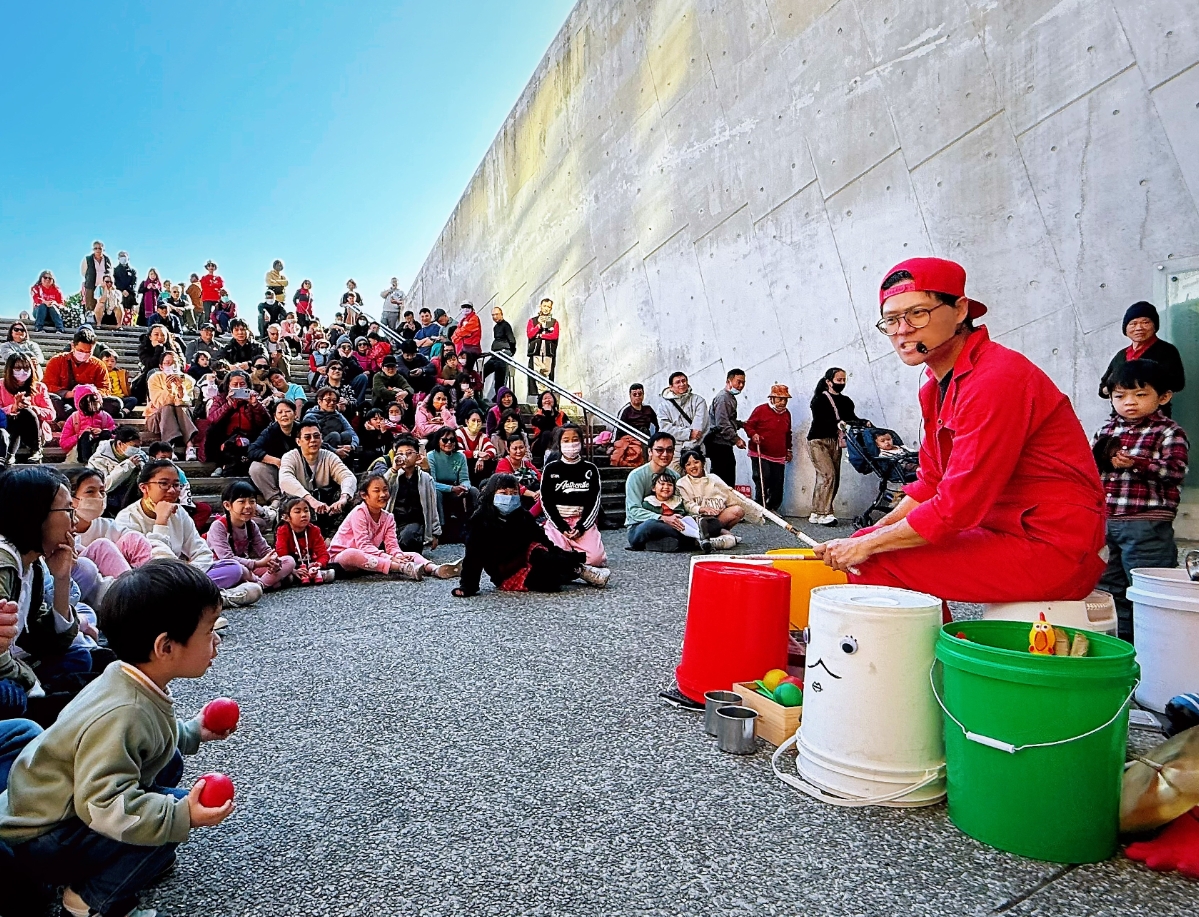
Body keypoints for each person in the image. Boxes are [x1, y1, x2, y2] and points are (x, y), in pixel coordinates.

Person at [814, 258, 1107, 609]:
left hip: (1053, 546)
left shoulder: (996, 378)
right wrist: (869, 536)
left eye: (918, 313)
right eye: (891, 320)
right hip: (1004, 531)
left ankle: (932, 647)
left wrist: (867, 546)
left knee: (873, 560)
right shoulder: (935, 387)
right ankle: (940, 641)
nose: (902, 330)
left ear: (960, 310)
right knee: (870, 543)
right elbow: (931, 483)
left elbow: (957, 507)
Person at [0, 560, 236, 917]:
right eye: (208, 630)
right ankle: (88, 902)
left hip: (53, 811)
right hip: (43, 838)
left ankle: (114, 862)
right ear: (165, 647)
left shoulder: (123, 675)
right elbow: (103, 807)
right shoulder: (125, 710)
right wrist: (178, 817)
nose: (216, 640)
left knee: (168, 768)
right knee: (165, 820)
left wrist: (191, 731)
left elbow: (148, 734)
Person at [1092, 360, 1189, 641]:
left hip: (1146, 524)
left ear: (1164, 397)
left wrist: (1136, 464)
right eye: (1120, 396)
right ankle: (1121, 644)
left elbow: (1175, 471)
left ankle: (1155, 648)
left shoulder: (1169, 432)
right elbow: (1090, 470)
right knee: (1108, 589)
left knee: (1148, 588)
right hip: (1107, 522)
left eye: (1140, 394)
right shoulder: (1106, 432)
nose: (1129, 402)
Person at [0, 466, 97, 725]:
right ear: (35, 514)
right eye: (67, 510)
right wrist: (32, 683)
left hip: (16, 662)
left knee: (81, 657)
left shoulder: (32, 565)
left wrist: (62, 578)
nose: (75, 521)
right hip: (6, 670)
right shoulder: (3, 565)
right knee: (10, 696)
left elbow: (53, 640)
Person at [453, 474, 608, 597]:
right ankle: (568, 571)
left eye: (514, 493)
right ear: (491, 494)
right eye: (503, 493)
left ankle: (579, 569)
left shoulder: (522, 515)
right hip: (506, 572)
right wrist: (468, 587)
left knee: (545, 557)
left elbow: (544, 540)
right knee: (550, 584)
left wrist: (567, 557)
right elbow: (473, 557)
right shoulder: (480, 521)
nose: (509, 497)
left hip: (530, 555)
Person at [327, 472, 458, 582]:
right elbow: (363, 546)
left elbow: (392, 546)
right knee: (352, 554)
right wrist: (391, 558)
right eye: (376, 491)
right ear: (364, 495)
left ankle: (435, 569)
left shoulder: (388, 517)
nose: (383, 494)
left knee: (411, 554)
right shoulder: (359, 512)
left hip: (371, 557)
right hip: (342, 558)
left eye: (385, 490)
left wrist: (398, 555)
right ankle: (402, 568)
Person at [1098, 301, 1186, 418]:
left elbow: (1177, 383)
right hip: (1121, 419)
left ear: (1155, 326)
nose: (1139, 328)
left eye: (1145, 322)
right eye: (1133, 324)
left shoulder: (1166, 350)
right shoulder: (1121, 355)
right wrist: (1114, 389)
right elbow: (1102, 388)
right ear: (1125, 329)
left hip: (1154, 418)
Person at [206, 481, 297, 591]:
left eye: (252, 501)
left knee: (288, 561)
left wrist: (274, 561)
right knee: (241, 570)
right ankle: (263, 583)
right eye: (242, 502)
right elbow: (227, 559)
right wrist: (257, 563)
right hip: (227, 569)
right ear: (227, 505)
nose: (248, 506)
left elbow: (265, 550)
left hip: (247, 565)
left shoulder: (251, 525)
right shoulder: (218, 526)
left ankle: (259, 584)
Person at [541, 425, 607, 566]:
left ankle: (572, 562)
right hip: (557, 522)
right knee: (553, 555)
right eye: (566, 440)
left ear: (581, 442)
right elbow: (546, 501)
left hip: (581, 521)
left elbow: (594, 501)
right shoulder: (550, 469)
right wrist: (561, 527)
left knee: (596, 559)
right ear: (559, 444)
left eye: (575, 439)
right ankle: (572, 563)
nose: (571, 444)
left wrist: (581, 527)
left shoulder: (590, 469)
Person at [279, 420, 357, 535]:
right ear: (298, 441)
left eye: (316, 436)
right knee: (289, 504)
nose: (313, 440)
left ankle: (335, 536)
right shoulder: (290, 457)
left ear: (321, 438)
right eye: (307, 437)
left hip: (325, 504)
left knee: (352, 498)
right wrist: (311, 500)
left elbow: (348, 476)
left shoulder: (329, 456)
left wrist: (343, 498)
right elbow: (285, 480)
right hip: (302, 504)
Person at [807, 368, 859, 525]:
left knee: (832, 477)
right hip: (818, 441)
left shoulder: (846, 401)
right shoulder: (819, 400)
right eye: (839, 380)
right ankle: (825, 513)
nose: (842, 383)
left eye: (844, 380)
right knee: (827, 475)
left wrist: (863, 423)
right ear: (829, 382)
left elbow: (852, 418)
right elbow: (821, 419)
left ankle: (816, 511)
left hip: (835, 441)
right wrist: (838, 423)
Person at [626, 432, 694, 552]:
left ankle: (660, 544)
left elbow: (680, 504)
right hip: (640, 526)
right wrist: (661, 517)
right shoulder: (636, 476)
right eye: (659, 450)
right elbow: (634, 510)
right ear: (650, 451)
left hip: (672, 522)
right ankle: (691, 540)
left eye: (669, 450)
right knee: (650, 525)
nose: (665, 454)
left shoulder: (674, 476)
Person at [676, 444, 760, 541]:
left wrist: (755, 512)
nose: (693, 466)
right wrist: (702, 509)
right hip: (696, 521)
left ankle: (719, 531)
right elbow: (687, 505)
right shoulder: (682, 483)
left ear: (703, 463)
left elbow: (730, 495)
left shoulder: (714, 478)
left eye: (696, 462)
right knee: (708, 527)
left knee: (738, 510)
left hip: (718, 518)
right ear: (684, 469)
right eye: (688, 464)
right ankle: (715, 535)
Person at [383, 435, 442, 552]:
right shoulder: (393, 475)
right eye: (400, 453)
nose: (404, 457)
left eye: (409, 453)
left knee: (408, 537)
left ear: (417, 456)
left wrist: (435, 533)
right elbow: (382, 488)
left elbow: (432, 506)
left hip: (415, 523)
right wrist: (393, 470)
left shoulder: (425, 478)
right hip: (394, 521)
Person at [204, 370, 269, 477]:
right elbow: (212, 419)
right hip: (226, 437)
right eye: (235, 385)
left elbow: (264, 423)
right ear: (228, 386)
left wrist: (256, 406)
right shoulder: (220, 399)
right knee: (213, 432)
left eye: (242, 384)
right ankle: (221, 464)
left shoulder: (254, 398)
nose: (239, 388)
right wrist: (228, 404)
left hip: (249, 435)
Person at [744, 384, 794, 512]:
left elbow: (788, 434)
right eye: (780, 399)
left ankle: (772, 508)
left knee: (777, 482)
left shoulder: (787, 414)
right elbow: (748, 425)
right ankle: (760, 508)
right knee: (762, 478)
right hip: (761, 452)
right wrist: (753, 434)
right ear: (771, 399)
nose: (783, 402)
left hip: (778, 454)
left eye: (785, 399)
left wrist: (788, 450)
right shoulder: (761, 410)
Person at [43, 327, 111, 419]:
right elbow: (48, 386)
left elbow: (105, 389)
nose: (84, 354)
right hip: (65, 401)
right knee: (51, 399)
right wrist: (69, 394)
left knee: (115, 403)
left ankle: (75, 416)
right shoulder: (56, 361)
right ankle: (77, 416)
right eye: (81, 351)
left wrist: (89, 392)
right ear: (73, 346)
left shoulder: (98, 365)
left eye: (88, 352)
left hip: (89, 403)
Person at [2, 354, 54, 464]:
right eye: (18, 368)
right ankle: (10, 453)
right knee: (17, 414)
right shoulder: (1, 386)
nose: (22, 371)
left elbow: (51, 414)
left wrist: (34, 409)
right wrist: (13, 408)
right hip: (9, 429)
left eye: (26, 368)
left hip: (33, 432)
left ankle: (36, 449)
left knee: (26, 411)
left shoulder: (40, 387)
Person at [146, 352, 199, 460]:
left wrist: (180, 389)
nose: (171, 366)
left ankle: (189, 447)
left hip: (182, 416)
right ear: (161, 366)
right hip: (157, 417)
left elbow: (187, 402)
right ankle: (170, 447)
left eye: (174, 363)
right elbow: (158, 402)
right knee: (167, 407)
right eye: (167, 363)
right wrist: (169, 389)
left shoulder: (188, 380)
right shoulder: (154, 378)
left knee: (180, 407)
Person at [426, 427, 479, 533]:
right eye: (445, 440)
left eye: (452, 440)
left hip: (455, 488)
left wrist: (464, 488)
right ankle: (441, 527)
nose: (449, 443)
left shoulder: (460, 456)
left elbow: (465, 479)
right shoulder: (431, 456)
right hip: (439, 488)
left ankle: (475, 523)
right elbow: (431, 483)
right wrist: (451, 488)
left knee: (473, 491)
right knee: (437, 493)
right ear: (438, 441)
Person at [274, 497, 335, 585]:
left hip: (311, 564)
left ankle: (314, 574)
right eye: (297, 512)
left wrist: (318, 565)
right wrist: (293, 570)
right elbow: (282, 556)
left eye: (306, 511)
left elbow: (323, 554)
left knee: (335, 569)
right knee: (286, 574)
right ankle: (299, 576)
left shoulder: (314, 530)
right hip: (293, 567)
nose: (303, 515)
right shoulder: (283, 531)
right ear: (286, 517)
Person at [247, 399, 299, 503]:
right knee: (256, 468)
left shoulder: (302, 429)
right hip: (278, 470)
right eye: (280, 412)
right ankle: (276, 499)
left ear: (295, 414)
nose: (284, 415)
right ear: (275, 417)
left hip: (299, 470)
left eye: (288, 411)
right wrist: (276, 461)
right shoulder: (270, 431)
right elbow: (252, 450)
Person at [641, 472, 712, 546]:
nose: (666, 487)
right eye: (662, 484)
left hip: (680, 524)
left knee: (687, 518)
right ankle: (699, 536)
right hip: (663, 525)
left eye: (670, 485)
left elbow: (682, 512)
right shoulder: (648, 502)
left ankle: (701, 537)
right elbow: (649, 517)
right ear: (653, 488)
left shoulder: (677, 501)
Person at [88, 426, 145, 514]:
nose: (137, 450)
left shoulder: (140, 455)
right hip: (110, 501)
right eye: (134, 446)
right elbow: (104, 486)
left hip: (134, 499)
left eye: (139, 446)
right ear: (120, 444)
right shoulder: (98, 459)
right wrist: (127, 466)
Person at [704, 369, 747, 485]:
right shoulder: (723, 398)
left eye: (743, 383)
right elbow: (722, 423)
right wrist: (736, 439)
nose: (741, 385)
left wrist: (742, 424)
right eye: (738, 382)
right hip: (719, 444)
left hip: (724, 444)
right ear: (729, 381)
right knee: (723, 479)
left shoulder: (729, 397)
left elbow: (729, 420)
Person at [59, 386, 115, 464]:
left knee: (106, 434)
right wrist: (79, 435)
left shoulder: (105, 417)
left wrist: (102, 432)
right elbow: (63, 443)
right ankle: (86, 459)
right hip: (79, 454)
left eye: (94, 402)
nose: (91, 406)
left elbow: (116, 438)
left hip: (101, 454)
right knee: (86, 436)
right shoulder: (74, 418)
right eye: (87, 404)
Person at [304, 387, 359, 460]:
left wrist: (352, 446)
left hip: (340, 448)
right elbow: (313, 439)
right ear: (319, 401)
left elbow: (352, 432)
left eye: (334, 401)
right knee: (334, 435)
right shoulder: (310, 417)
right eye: (328, 400)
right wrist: (334, 450)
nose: (332, 403)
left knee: (346, 435)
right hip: (320, 449)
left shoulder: (338, 415)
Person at [657, 372, 708, 447]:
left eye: (684, 381)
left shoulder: (699, 401)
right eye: (678, 382)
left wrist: (687, 448)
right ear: (671, 387)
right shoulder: (663, 407)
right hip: (673, 450)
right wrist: (688, 433)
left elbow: (698, 431)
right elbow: (665, 429)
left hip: (696, 449)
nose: (682, 384)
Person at [495, 437, 541, 514]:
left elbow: (541, 478)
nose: (519, 451)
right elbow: (511, 485)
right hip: (510, 498)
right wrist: (532, 494)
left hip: (530, 497)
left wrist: (539, 492)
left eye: (521, 447)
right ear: (508, 450)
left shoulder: (526, 463)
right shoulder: (503, 463)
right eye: (515, 449)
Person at [526, 298, 560, 397]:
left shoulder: (554, 322)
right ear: (540, 306)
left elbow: (554, 335)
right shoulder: (533, 321)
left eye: (548, 307)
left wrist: (541, 336)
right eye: (544, 306)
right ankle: (541, 396)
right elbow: (530, 334)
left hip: (548, 353)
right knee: (536, 374)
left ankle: (545, 395)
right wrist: (538, 326)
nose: (546, 308)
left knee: (546, 374)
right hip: (536, 352)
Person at [457, 409, 497, 487]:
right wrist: (477, 453)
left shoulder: (482, 436)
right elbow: (458, 452)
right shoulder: (459, 433)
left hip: (478, 469)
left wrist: (481, 458)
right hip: (462, 466)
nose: (476, 423)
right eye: (473, 420)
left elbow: (492, 450)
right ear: (467, 421)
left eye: (479, 421)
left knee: (488, 462)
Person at [484, 306, 516, 397]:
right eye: (493, 315)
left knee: (500, 377)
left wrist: (510, 351)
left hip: (503, 353)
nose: (495, 317)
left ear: (501, 314)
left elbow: (512, 340)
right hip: (495, 354)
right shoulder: (495, 327)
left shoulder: (506, 325)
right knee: (483, 371)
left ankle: (500, 395)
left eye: (497, 314)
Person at [529, 391, 566, 464]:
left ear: (554, 400)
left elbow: (567, 426)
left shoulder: (561, 414)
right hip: (540, 443)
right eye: (545, 398)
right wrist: (548, 413)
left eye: (549, 398)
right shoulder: (537, 416)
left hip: (558, 441)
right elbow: (548, 427)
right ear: (541, 402)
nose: (547, 400)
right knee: (547, 433)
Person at [79, 241, 111, 315]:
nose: (98, 250)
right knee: (90, 308)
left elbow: (110, 271)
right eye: (95, 248)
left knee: (104, 307)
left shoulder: (107, 259)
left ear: (103, 249)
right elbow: (83, 272)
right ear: (93, 249)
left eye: (100, 248)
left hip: (104, 287)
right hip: (91, 287)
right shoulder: (87, 259)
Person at [451, 302, 483, 375]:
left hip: (472, 348)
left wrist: (458, 334)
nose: (465, 309)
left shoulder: (474, 318)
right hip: (463, 348)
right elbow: (455, 335)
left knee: (466, 370)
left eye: (468, 307)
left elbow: (465, 330)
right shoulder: (462, 320)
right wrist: (458, 334)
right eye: (463, 307)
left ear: (472, 308)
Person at [102, 352, 136, 416]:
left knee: (133, 400)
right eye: (106, 361)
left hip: (120, 397)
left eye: (112, 361)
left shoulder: (120, 373)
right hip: (107, 398)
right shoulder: (99, 373)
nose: (110, 363)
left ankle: (123, 412)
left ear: (115, 363)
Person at [112, 251, 138, 321]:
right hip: (119, 295)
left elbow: (134, 283)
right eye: (121, 256)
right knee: (119, 312)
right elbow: (115, 282)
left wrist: (128, 290)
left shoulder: (133, 271)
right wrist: (122, 290)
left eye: (124, 256)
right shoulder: (114, 270)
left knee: (129, 316)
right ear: (118, 258)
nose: (123, 258)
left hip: (130, 295)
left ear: (128, 258)